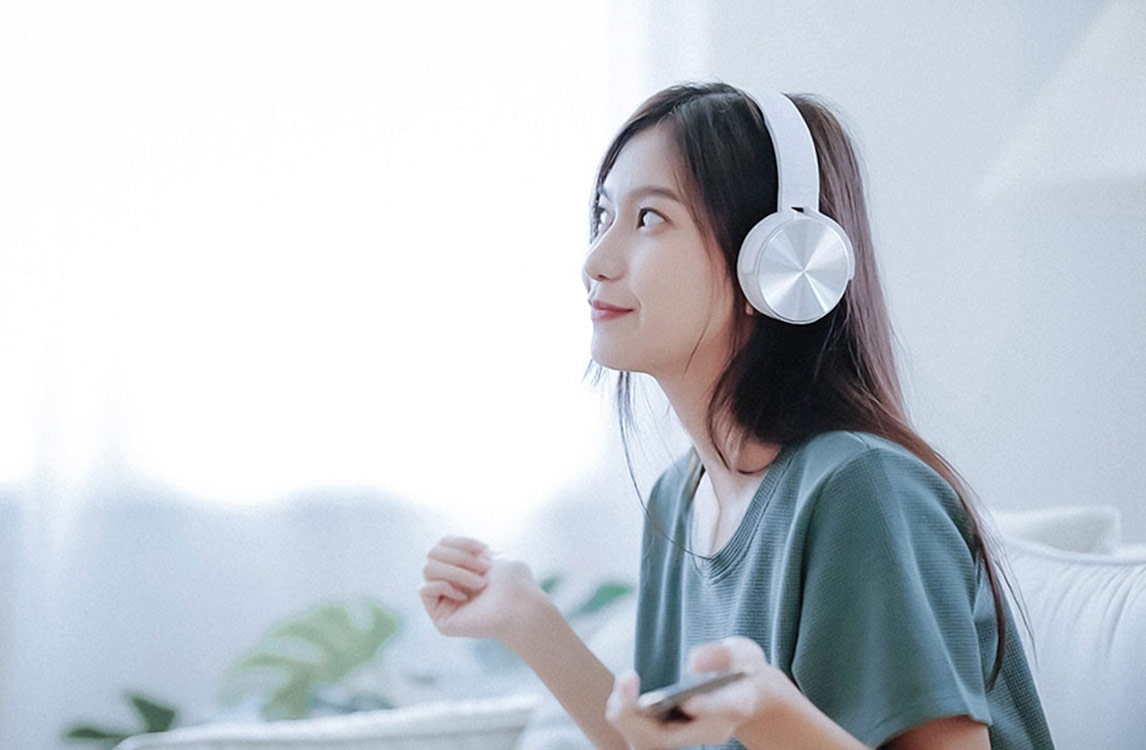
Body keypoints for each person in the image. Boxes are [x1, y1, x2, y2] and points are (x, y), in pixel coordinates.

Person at [419, 81, 1055, 750]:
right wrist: (527, 620)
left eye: (649, 220)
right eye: (604, 216)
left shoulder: (865, 491)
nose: (596, 262)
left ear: (778, 262)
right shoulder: (680, 498)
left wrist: (766, 710)